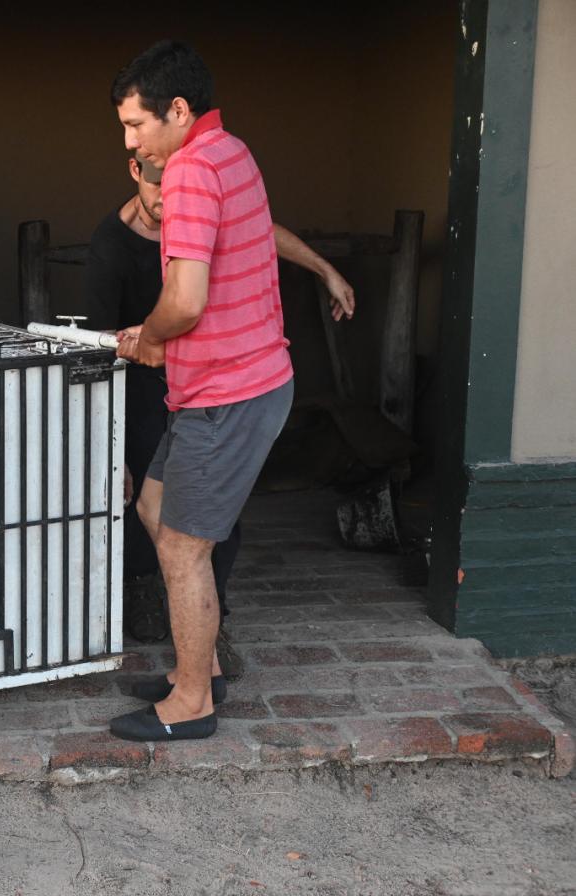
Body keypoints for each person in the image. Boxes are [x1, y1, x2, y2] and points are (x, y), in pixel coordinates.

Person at [85, 152, 356, 677]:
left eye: (175, 187)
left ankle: (206, 638)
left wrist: (324, 268)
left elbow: (259, 231)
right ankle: (153, 594)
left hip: (213, 385)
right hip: (143, 383)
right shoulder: (109, 244)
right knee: (149, 501)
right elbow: (101, 346)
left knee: (207, 521)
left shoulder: (199, 200)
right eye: (157, 185)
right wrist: (107, 445)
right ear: (134, 172)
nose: (167, 200)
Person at [110, 40, 296, 742]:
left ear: (177, 110)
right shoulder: (231, 150)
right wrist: (157, 333)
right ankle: (203, 663)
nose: (130, 141)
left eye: (135, 125)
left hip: (227, 392)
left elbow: (183, 301)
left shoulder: (187, 169)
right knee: (154, 504)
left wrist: (150, 337)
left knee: (182, 547)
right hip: (240, 382)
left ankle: (190, 701)